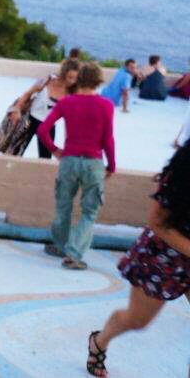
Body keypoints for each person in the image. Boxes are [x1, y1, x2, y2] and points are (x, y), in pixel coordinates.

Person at [85, 142, 190, 376]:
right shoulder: (184, 170)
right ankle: (99, 341)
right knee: (137, 320)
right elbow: (158, 222)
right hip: (163, 258)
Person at [37, 61, 116, 270]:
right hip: (93, 163)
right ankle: (73, 255)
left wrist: (55, 150)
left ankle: (60, 246)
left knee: (63, 206)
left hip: (69, 161)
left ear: (79, 79)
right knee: (89, 212)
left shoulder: (67, 102)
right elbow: (108, 140)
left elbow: (43, 130)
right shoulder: (106, 105)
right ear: (98, 81)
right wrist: (112, 165)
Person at [11, 58, 80, 158]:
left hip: (48, 127)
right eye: (70, 77)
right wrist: (16, 109)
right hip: (29, 121)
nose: (72, 81)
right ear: (64, 74)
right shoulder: (47, 80)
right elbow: (28, 93)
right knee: (14, 154)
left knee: (45, 159)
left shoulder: (72, 94)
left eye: (75, 79)